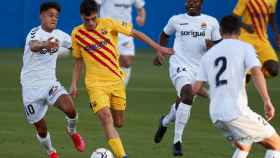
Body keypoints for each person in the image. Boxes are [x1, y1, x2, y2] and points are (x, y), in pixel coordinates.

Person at [70, 1, 173, 158]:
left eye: (92, 19)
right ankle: (122, 155)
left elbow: (135, 33)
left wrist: (158, 47)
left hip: (116, 81)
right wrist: (74, 85)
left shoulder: (109, 24)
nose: (90, 23)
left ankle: (101, 106)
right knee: (106, 117)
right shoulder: (77, 34)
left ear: (96, 14)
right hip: (95, 84)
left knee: (119, 122)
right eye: (86, 20)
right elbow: (78, 61)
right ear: (81, 16)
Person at [192, 15, 280, 158]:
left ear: (220, 31)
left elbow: (195, 89)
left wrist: (213, 95)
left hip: (216, 115)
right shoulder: (245, 47)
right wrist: (267, 101)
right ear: (239, 31)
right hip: (236, 112)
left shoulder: (209, 55)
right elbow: (257, 73)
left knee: (245, 143)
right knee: (276, 144)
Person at [153, 0, 221, 156]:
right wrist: (160, 52)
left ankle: (165, 121)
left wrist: (212, 46)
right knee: (188, 95)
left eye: (196, 1)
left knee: (183, 101)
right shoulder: (176, 20)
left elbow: (219, 45)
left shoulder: (211, 22)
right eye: (189, 0)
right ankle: (177, 141)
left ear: (201, 3)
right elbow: (164, 35)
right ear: (185, 3)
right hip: (179, 65)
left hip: (200, 70)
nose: (192, 3)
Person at [20, 2, 85, 158]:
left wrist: (75, 82)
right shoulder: (34, 33)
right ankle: (51, 152)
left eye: (56, 16)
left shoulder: (61, 36)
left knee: (70, 109)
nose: (54, 18)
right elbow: (34, 45)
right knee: (41, 129)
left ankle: (72, 132)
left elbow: (78, 51)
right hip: (30, 89)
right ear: (41, 16)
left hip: (50, 83)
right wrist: (46, 44)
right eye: (50, 15)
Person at [95, 0, 146, 86]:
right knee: (105, 59)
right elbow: (96, 6)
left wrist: (142, 17)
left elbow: (141, 9)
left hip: (125, 31)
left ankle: (119, 91)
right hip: (107, 31)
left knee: (127, 62)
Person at [233, 0, 280, 79]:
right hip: (245, 39)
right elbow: (234, 17)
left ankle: (254, 73)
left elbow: (271, 17)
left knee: (273, 69)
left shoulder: (273, 0)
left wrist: (276, 34)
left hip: (262, 40)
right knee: (246, 76)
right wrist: (245, 26)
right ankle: (240, 82)